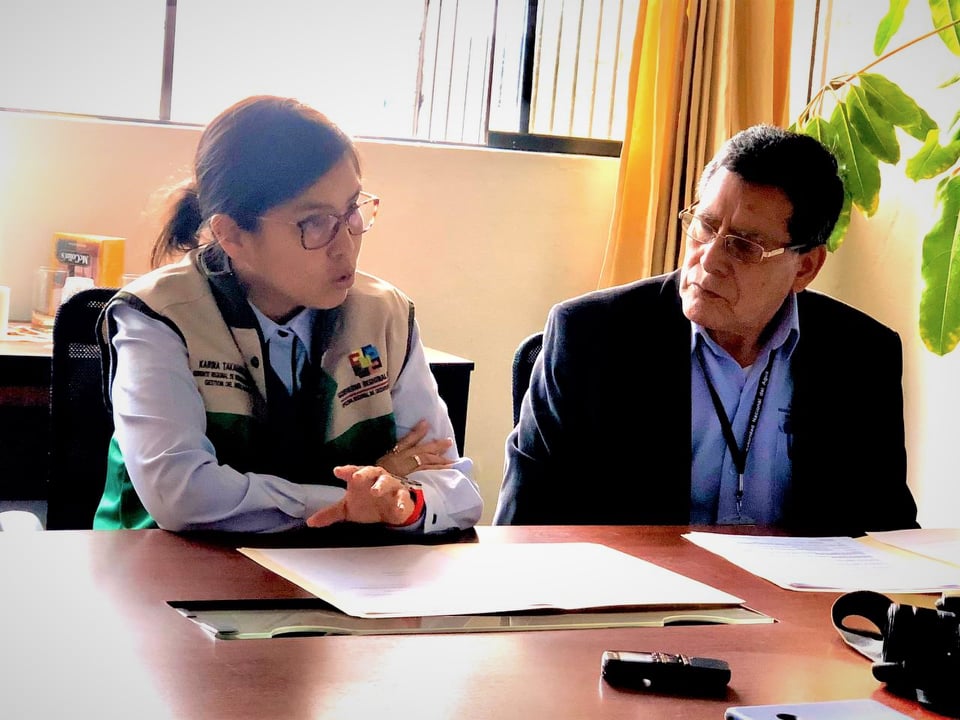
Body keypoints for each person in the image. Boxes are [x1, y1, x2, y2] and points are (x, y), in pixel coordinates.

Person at [493, 124, 918, 535]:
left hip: (798, 586)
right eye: (706, 227)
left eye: (744, 246)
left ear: (805, 267)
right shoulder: (591, 338)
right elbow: (524, 530)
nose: (709, 259)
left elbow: (886, 531)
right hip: (638, 583)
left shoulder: (862, 355)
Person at [93, 95, 482, 533]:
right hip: (167, 568)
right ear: (232, 234)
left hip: (337, 571)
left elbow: (458, 491)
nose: (346, 244)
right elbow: (182, 496)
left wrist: (404, 505)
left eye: (352, 210)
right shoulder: (158, 315)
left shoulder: (384, 313)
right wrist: (357, 498)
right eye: (314, 222)